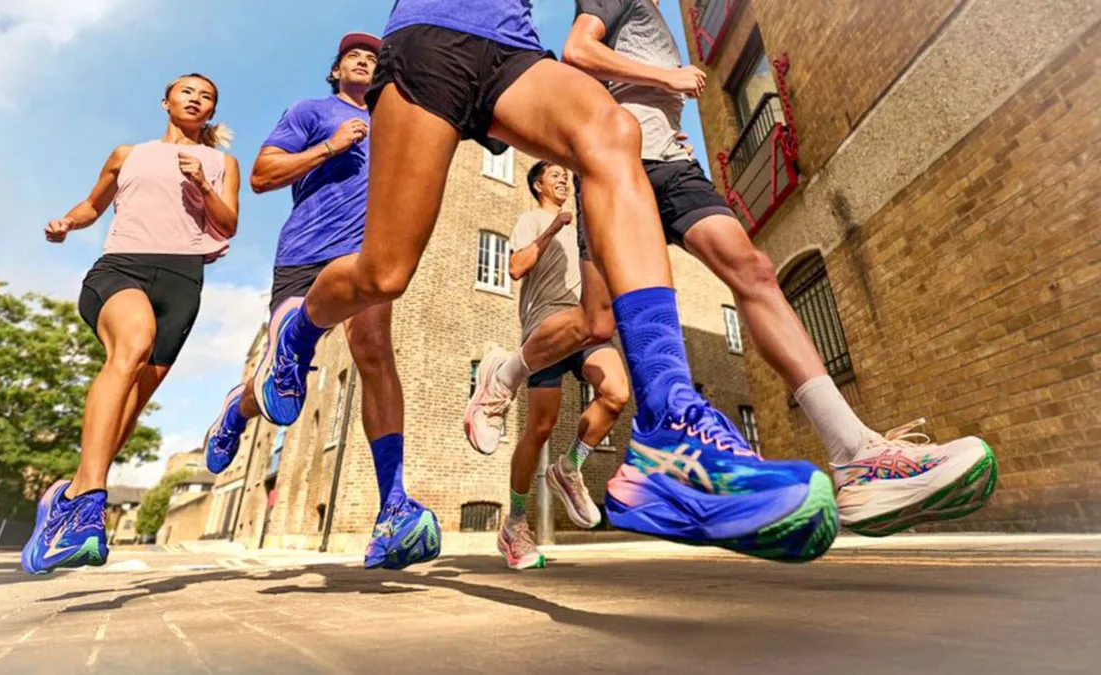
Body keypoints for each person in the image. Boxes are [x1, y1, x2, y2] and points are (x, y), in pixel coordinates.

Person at [253, 0, 837, 563]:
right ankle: (300, 332)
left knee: (612, 133)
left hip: (511, 45)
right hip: (430, 37)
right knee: (385, 273)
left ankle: (669, 428)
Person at [468, 0, 998, 538]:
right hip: (617, 169)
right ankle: (505, 373)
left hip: (675, 167)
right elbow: (578, 50)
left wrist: (669, 107)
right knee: (595, 323)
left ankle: (855, 454)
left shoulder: (657, 18)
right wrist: (666, 77)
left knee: (754, 270)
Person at [203, 33, 440, 570]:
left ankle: (393, 505)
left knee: (375, 355)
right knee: (280, 381)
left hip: (364, 253)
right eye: (354, 56)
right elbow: (262, 176)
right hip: (307, 251)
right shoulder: (311, 111)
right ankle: (236, 411)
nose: (364, 61)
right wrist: (330, 147)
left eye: (373, 58)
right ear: (335, 71)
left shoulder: (394, 122)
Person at [24, 74, 241, 574]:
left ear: (211, 112)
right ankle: (88, 505)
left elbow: (227, 223)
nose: (196, 99)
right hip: (123, 267)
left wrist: (201, 183)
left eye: (206, 96)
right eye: (187, 91)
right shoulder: (129, 154)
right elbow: (92, 205)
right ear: (166, 101)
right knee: (133, 343)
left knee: (134, 399)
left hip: (183, 283)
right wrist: (67, 222)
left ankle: (68, 497)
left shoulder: (220, 163)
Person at [490, 162, 629, 570]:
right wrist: (553, 228)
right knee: (540, 428)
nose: (563, 179)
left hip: (586, 324)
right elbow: (516, 268)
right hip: (547, 327)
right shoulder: (531, 219)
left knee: (616, 393)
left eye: (566, 175)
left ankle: (569, 467)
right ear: (538, 185)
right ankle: (515, 523)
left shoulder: (585, 227)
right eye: (555, 175)